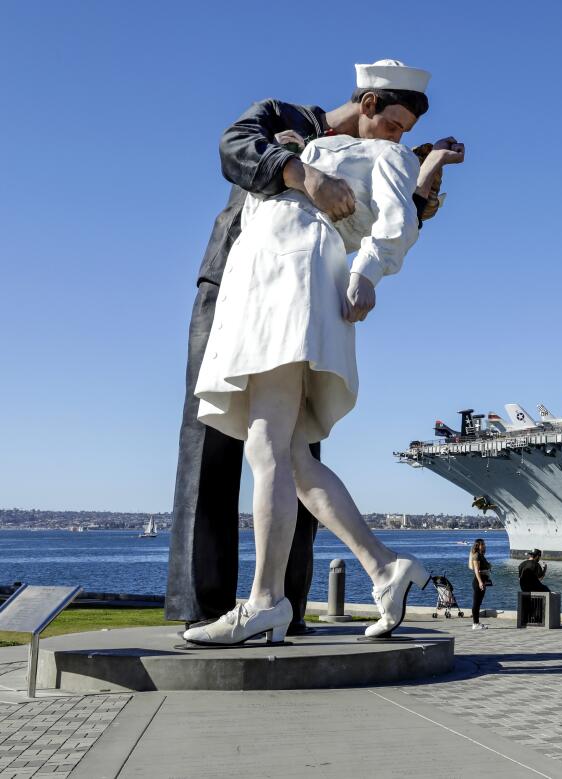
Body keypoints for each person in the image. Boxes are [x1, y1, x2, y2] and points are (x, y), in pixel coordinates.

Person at [181, 59, 465, 645]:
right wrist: (298, 165)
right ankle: (380, 566)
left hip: (289, 286)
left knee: (268, 443)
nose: (398, 137)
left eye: (405, 132)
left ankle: (269, 599)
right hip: (241, 287)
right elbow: (236, 148)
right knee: (286, 457)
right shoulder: (285, 122)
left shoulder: (381, 154)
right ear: (365, 104)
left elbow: (393, 221)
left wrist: (421, 178)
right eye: (393, 123)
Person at [517, 548, 549, 624]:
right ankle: (538, 617)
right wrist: (545, 569)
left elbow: (519, 578)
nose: (539, 558)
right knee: (547, 591)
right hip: (533, 587)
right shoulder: (536, 564)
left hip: (523, 587)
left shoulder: (522, 564)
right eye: (539, 557)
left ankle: (528, 616)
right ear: (537, 556)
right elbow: (540, 578)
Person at [468, 538, 492, 630]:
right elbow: (476, 571)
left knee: (479, 602)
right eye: (483, 544)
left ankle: (477, 622)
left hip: (483, 580)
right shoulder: (476, 556)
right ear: (478, 545)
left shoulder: (481, 555)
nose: (485, 546)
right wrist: (480, 582)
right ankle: (475, 623)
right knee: (476, 603)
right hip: (479, 580)